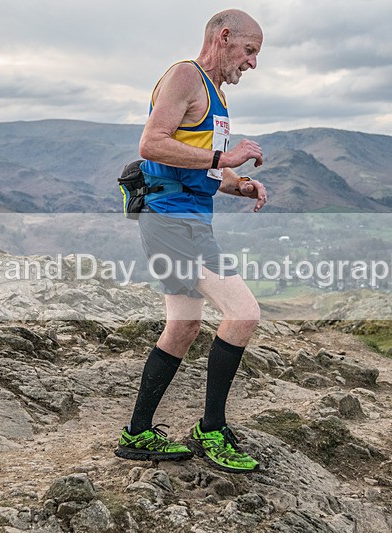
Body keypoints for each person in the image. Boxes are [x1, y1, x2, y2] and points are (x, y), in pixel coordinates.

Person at [115, 9, 268, 473]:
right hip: (170, 221)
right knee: (244, 314)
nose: (252, 64)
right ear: (224, 37)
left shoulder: (215, 94)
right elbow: (152, 144)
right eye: (250, 51)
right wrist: (225, 155)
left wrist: (236, 182)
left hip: (187, 220)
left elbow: (194, 163)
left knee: (183, 326)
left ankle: (138, 432)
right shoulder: (186, 76)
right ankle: (211, 429)